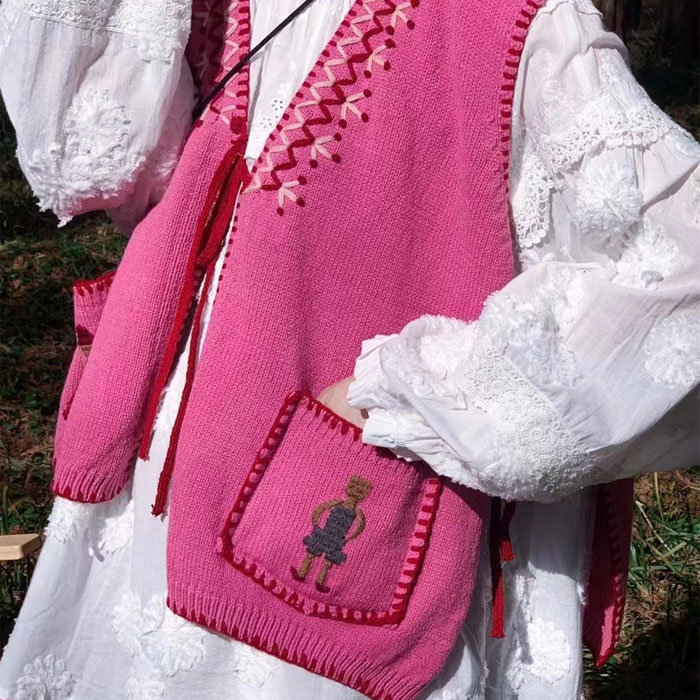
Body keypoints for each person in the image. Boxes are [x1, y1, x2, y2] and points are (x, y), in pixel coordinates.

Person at [0, 1, 698, 699]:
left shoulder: (511, 22)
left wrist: (420, 393)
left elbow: (682, 267)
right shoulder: (197, 10)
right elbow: (89, 160)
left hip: (344, 495)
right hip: (157, 488)